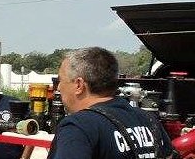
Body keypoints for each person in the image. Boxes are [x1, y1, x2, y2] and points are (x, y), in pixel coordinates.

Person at [48, 47, 178, 158]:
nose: (58, 87)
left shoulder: (78, 127)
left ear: (79, 85)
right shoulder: (148, 119)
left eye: (61, 80)